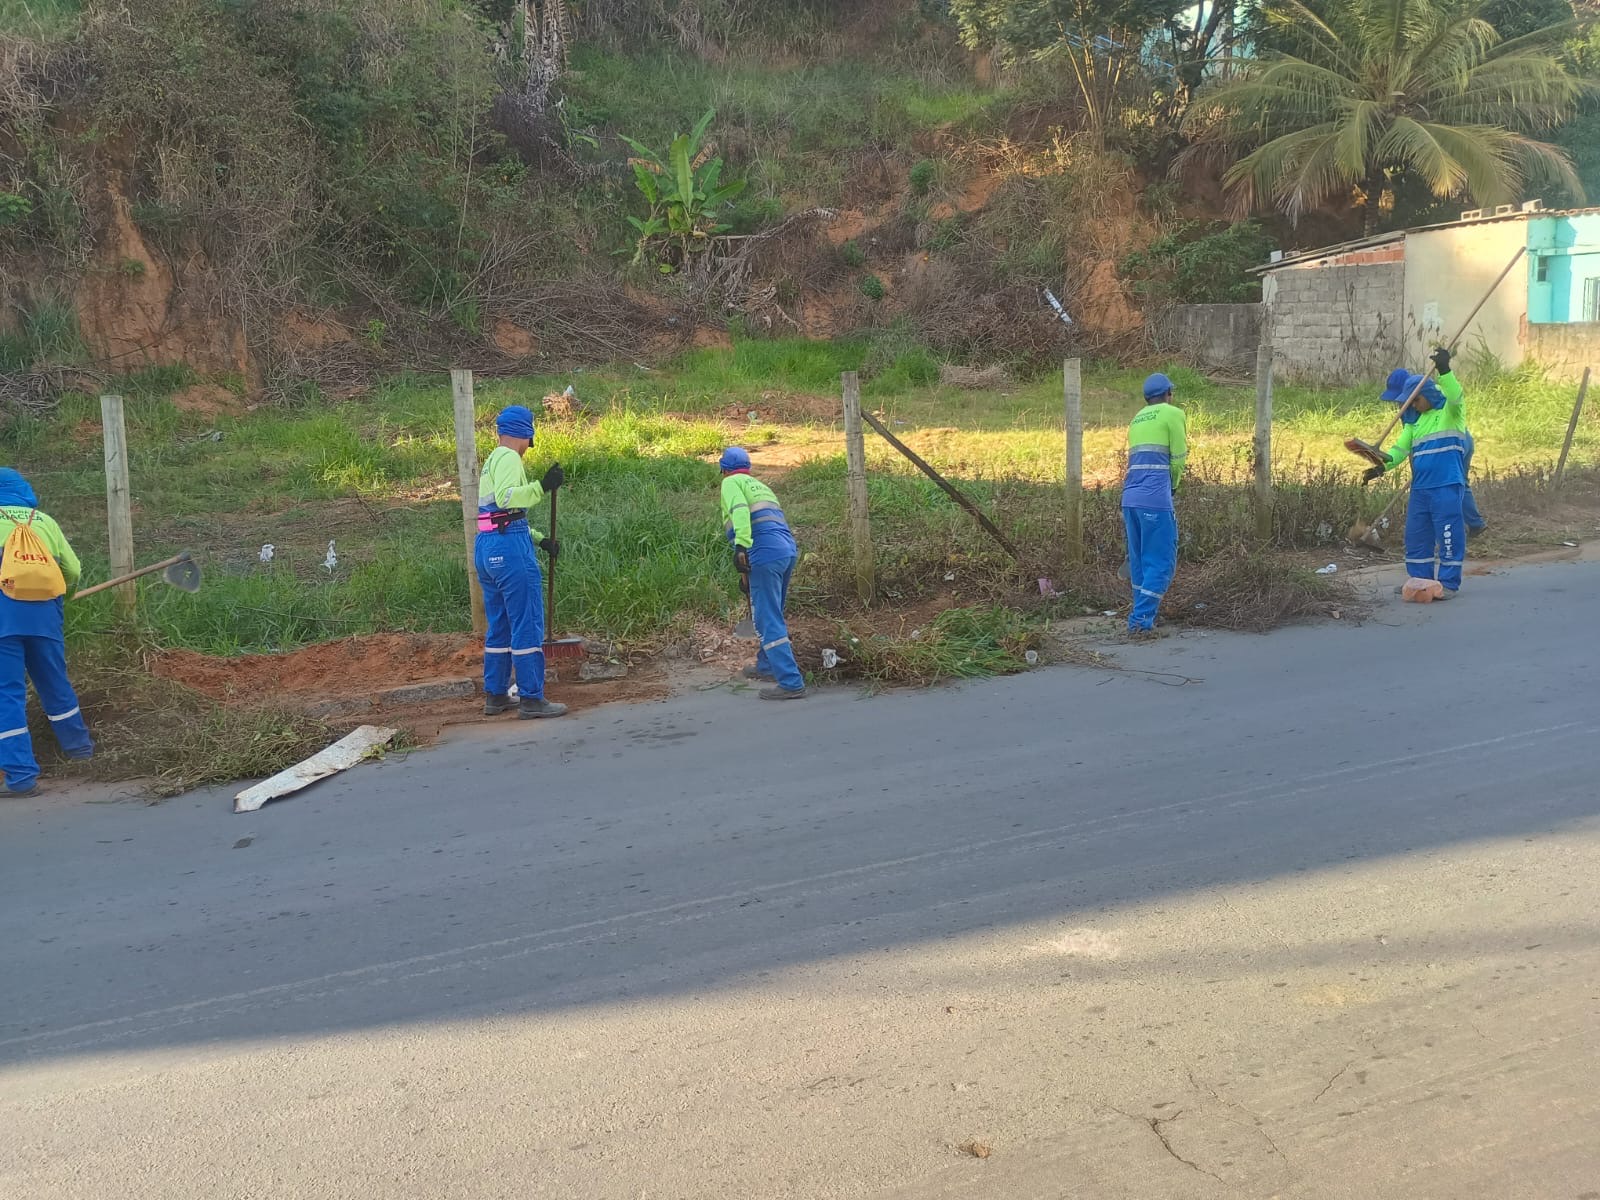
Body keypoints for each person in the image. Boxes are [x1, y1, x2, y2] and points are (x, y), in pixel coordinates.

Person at [0, 468, 94, 795]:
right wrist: (61, 599)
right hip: (45, 617)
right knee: (55, 683)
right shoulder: (44, 521)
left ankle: (21, 777)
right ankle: (82, 754)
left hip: (3, 622)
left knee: (6, 693)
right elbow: (74, 569)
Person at [475, 405, 567, 719]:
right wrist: (542, 486)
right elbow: (506, 498)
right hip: (509, 549)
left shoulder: (490, 460)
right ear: (526, 434)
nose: (529, 449)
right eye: (530, 441)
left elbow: (498, 516)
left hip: (487, 547)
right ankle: (531, 698)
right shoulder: (510, 458)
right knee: (526, 621)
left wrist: (539, 539)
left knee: (499, 625)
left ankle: (496, 694)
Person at [1366, 348, 1469, 599]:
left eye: (1415, 399)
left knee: (1447, 534)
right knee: (1416, 535)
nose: (1412, 405)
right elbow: (1397, 452)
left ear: (1427, 394)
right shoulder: (1414, 424)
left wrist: (1445, 370)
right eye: (1409, 401)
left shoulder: (1450, 415)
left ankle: (1448, 584)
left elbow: (1455, 396)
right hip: (1421, 490)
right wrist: (1380, 467)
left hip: (1446, 486)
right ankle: (1418, 580)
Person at [719, 447, 805, 700]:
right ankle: (767, 666)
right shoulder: (760, 486)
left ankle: (791, 682)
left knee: (768, 620)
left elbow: (740, 512)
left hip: (764, 553)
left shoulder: (731, 483)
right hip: (786, 551)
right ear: (748, 467)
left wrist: (741, 549)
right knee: (774, 611)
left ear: (723, 469)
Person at [1120, 373, 1188, 638]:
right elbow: (1179, 456)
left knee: (1139, 561)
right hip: (1155, 498)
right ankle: (1140, 622)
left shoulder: (1138, 417)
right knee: (1161, 561)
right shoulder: (1173, 413)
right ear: (1169, 393)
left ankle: (1142, 615)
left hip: (1130, 499)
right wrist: (1174, 485)